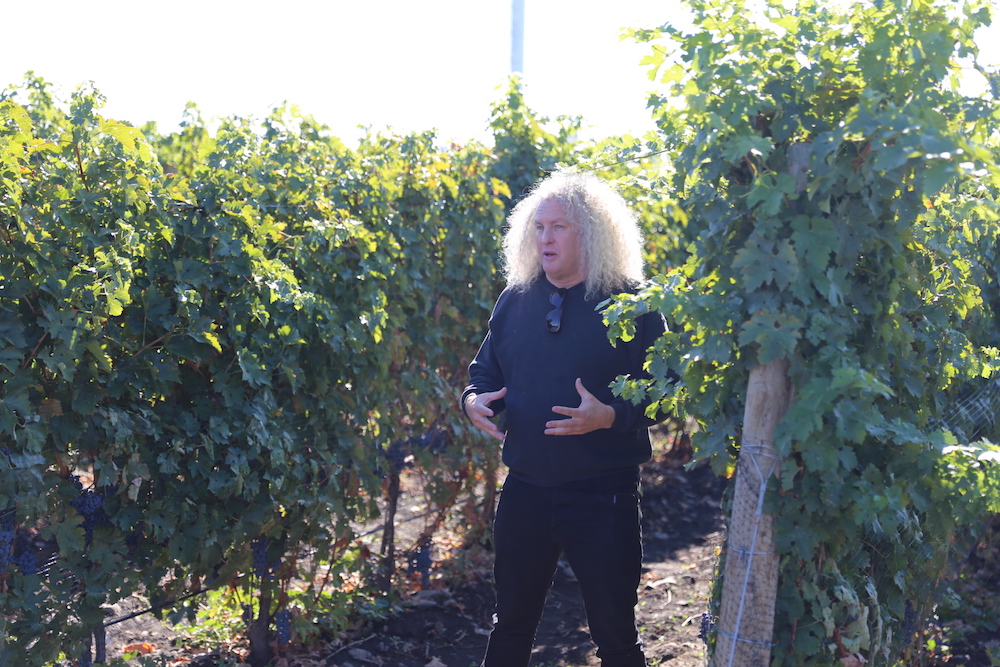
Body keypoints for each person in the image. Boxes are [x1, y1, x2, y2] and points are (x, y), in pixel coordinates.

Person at [461, 170, 669, 667]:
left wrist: (610, 415)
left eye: (560, 227)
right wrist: (473, 401)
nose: (546, 238)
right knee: (510, 626)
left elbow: (670, 393)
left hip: (603, 495)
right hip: (526, 491)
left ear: (592, 233)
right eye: (539, 227)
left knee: (616, 636)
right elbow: (483, 372)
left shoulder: (632, 304)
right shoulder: (517, 300)